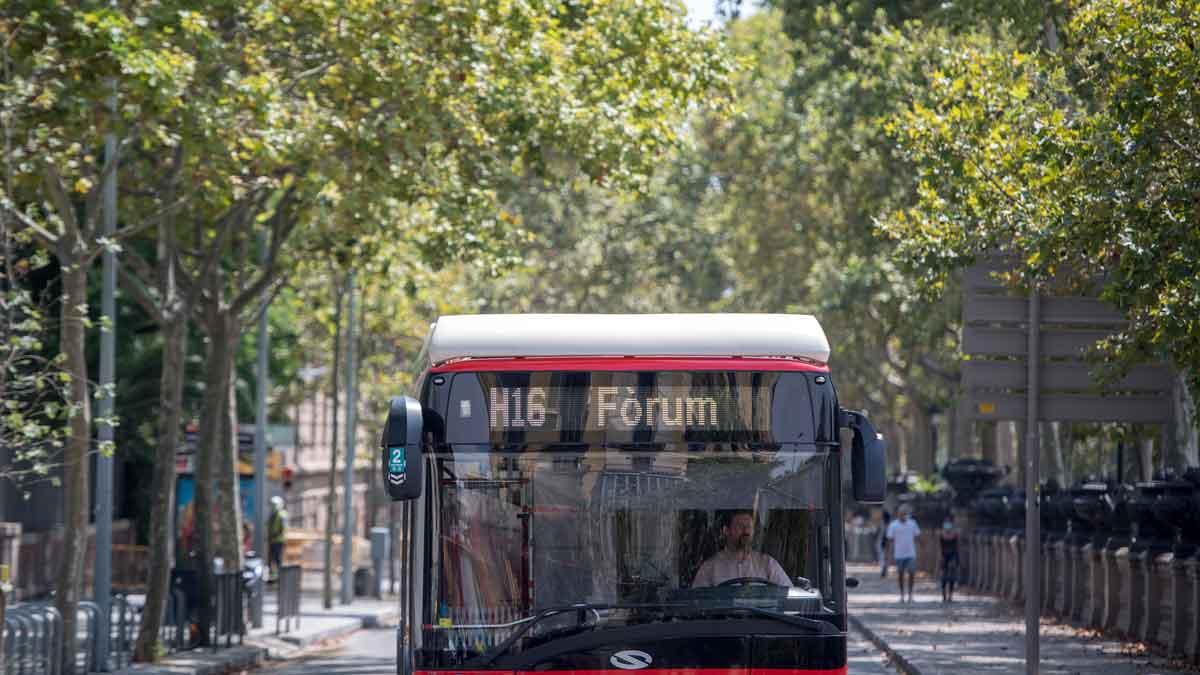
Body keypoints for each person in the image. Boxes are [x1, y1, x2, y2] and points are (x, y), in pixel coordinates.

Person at [693, 510, 792, 588]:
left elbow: (788, 594)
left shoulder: (768, 564)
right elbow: (698, 601)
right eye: (740, 526)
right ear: (726, 530)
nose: (746, 531)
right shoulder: (710, 568)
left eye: (749, 526)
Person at [885, 505, 919, 602]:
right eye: (901, 513)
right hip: (899, 554)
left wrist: (919, 551)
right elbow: (890, 540)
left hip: (911, 553)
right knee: (900, 575)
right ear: (898, 514)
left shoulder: (912, 524)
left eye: (905, 513)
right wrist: (889, 555)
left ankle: (911, 594)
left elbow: (917, 537)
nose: (903, 515)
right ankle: (902, 594)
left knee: (912, 573)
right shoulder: (893, 525)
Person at [939, 516, 960, 602]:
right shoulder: (941, 534)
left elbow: (957, 546)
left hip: (953, 555)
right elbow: (940, 547)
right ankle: (944, 593)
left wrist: (957, 558)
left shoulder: (955, 534)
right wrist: (940, 557)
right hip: (944, 555)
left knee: (952, 575)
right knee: (944, 576)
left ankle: (950, 595)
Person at [268, 495, 288, 580]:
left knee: (277, 559)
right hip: (272, 540)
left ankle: (280, 576)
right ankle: (273, 576)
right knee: (271, 559)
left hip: (278, 540)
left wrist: (275, 534)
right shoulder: (273, 514)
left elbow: (283, 527)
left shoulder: (282, 514)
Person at [877, 509, 892, 578]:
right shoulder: (890, 524)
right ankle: (884, 569)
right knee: (886, 557)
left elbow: (880, 533)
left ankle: (884, 569)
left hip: (884, 541)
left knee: (883, 557)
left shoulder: (883, 524)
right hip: (887, 541)